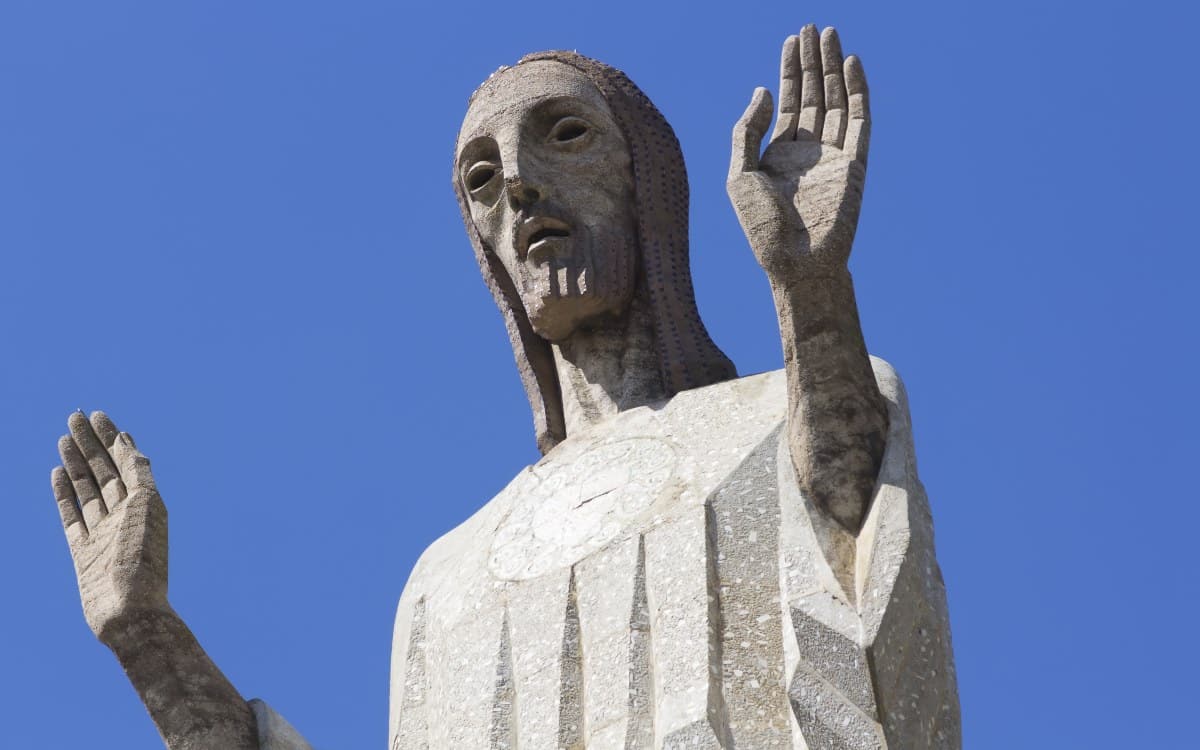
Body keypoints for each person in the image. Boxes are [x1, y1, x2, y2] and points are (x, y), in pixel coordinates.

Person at [50, 26, 959, 750]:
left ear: (649, 185)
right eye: (481, 178)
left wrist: (809, 290)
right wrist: (145, 634)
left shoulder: (781, 417)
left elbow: (848, 513)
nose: (518, 184)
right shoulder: (441, 582)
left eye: (565, 135)